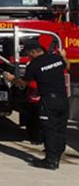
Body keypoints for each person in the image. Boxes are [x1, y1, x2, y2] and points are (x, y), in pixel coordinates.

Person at [4, 39, 69, 170]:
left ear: (34, 52)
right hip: (63, 99)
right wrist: (64, 56)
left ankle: (50, 161)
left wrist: (11, 79)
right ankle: (57, 154)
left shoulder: (33, 65)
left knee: (49, 129)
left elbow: (23, 84)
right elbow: (66, 67)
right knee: (60, 128)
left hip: (49, 101)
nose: (28, 56)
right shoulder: (56, 58)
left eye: (28, 53)